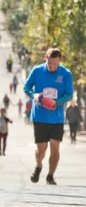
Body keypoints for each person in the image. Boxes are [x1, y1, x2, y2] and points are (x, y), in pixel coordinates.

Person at [24, 48, 74, 185]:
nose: (52, 66)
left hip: (57, 118)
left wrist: (56, 102)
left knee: (54, 146)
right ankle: (39, 165)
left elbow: (69, 95)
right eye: (50, 63)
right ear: (45, 58)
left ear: (60, 61)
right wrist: (34, 95)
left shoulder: (66, 74)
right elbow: (26, 87)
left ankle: (50, 176)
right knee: (41, 149)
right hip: (39, 117)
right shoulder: (37, 71)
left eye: (55, 64)